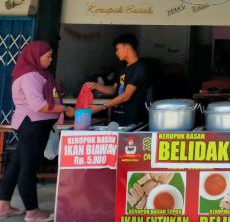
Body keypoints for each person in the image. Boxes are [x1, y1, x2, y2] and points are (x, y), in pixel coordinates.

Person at [0, 41, 75, 222]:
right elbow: (38, 104)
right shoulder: (30, 75)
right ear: (36, 56)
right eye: (48, 56)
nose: (51, 59)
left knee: (16, 165)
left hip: (33, 125)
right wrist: (64, 109)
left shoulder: (38, 74)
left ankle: (3, 206)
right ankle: (32, 212)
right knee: (28, 167)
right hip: (32, 125)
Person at [85, 34, 150, 126]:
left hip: (132, 121)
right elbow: (114, 89)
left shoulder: (139, 69)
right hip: (117, 120)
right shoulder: (122, 67)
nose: (116, 52)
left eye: (117, 49)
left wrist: (101, 107)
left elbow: (126, 96)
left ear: (126, 48)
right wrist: (96, 86)